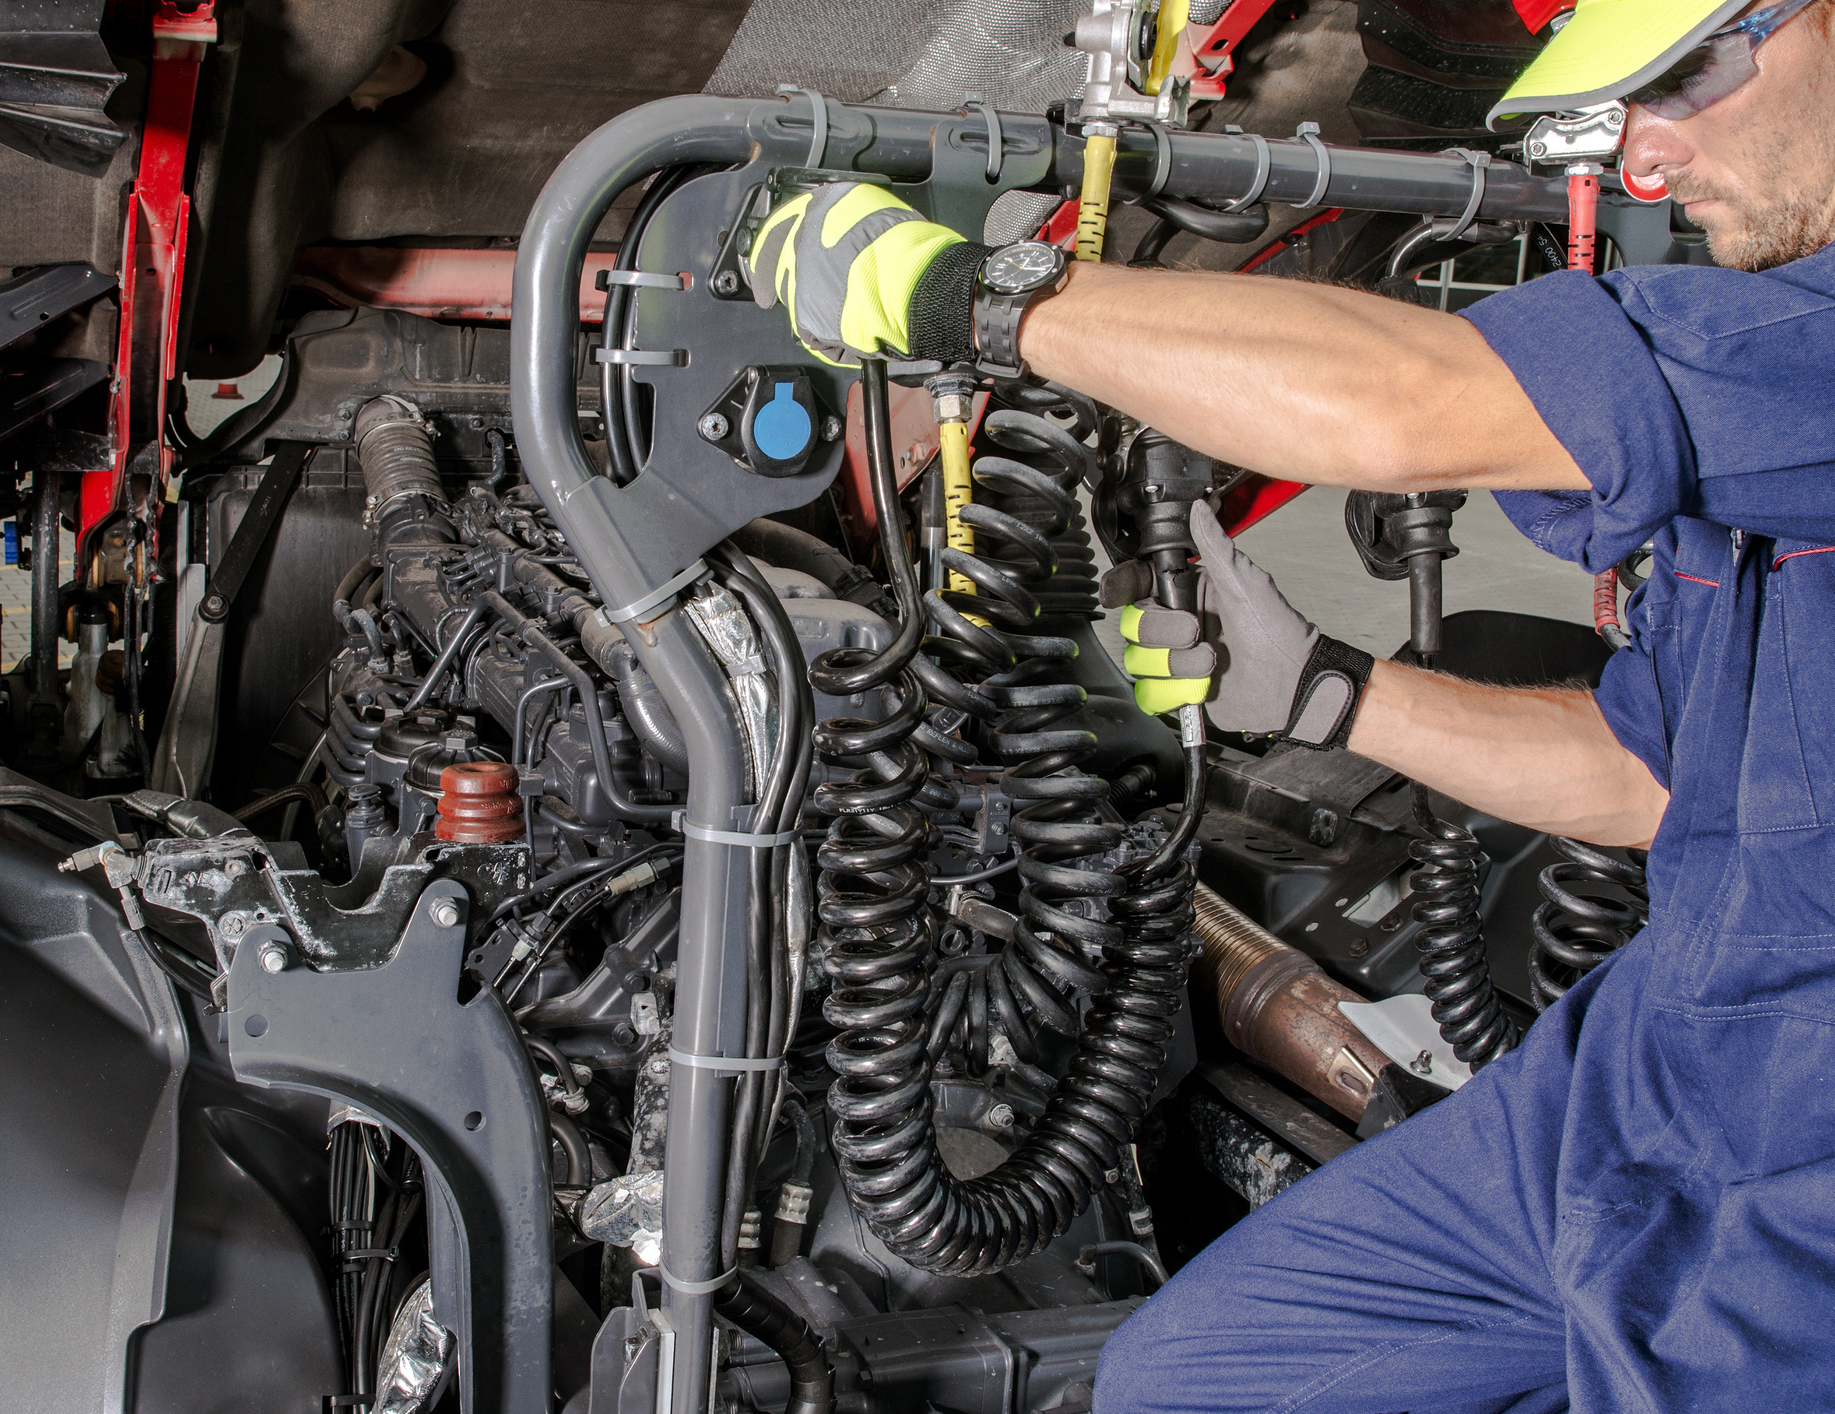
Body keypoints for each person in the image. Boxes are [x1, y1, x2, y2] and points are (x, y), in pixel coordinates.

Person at [746, 0, 1835, 1406]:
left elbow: (1413, 406)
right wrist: (1327, 691)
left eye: (1684, 76)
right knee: (1189, 1382)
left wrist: (986, 299)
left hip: (1803, 1183)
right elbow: (1654, 772)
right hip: (1648, 1078)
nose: (1640, 149)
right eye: (1617, 101)